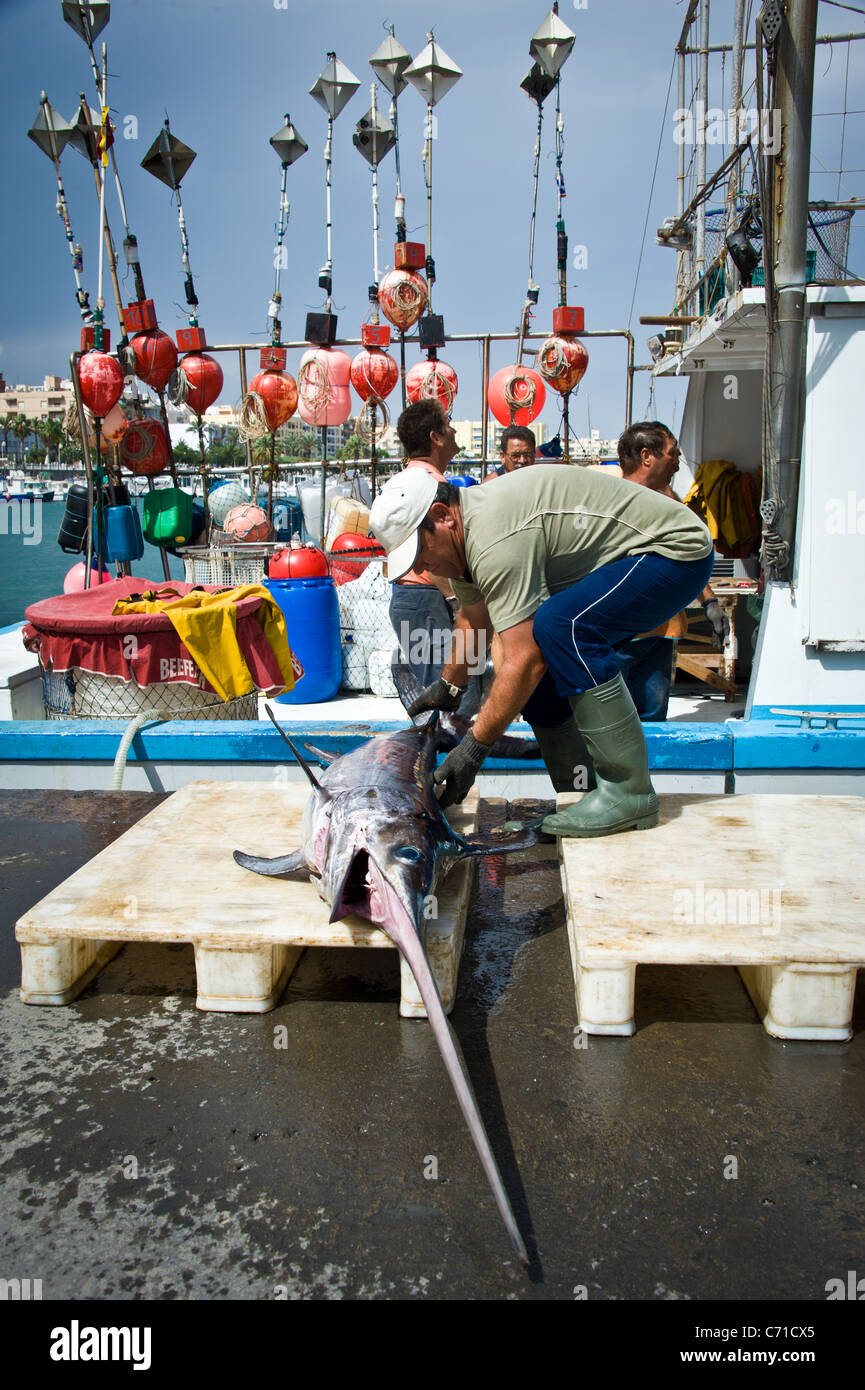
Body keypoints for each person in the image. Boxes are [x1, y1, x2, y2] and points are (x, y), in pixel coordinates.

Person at [369, 463, 714, 838]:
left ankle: (628, 793)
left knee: (562, 626)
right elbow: (474, 618)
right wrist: (449, 688)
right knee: (541, 675)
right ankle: (583, 794)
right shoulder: (462, 542)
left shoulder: (494, 538)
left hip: (674, 551)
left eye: (419, 550)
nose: (419, 566)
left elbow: (523, 659)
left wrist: (472, 750)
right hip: (636, 559)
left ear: (441, 516)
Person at [617, 422, 725, 719]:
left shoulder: (669, 499)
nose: (678, 461)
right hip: (619, 637)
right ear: (646, 456)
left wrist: (710, 601)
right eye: (672, 452)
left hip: (662, 633)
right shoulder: (612, 500)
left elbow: (688, 554)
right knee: (615, 726)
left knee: (653, 724)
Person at [387, 401, 482, 705]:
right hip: (429, 600)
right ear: (436, 437)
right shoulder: (432, 488)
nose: (454, 429)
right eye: (448, 423)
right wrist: (458, 605)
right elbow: (439, 559)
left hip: (413, 601)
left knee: (446, 696)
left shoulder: (403, 483)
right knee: (457, 697)